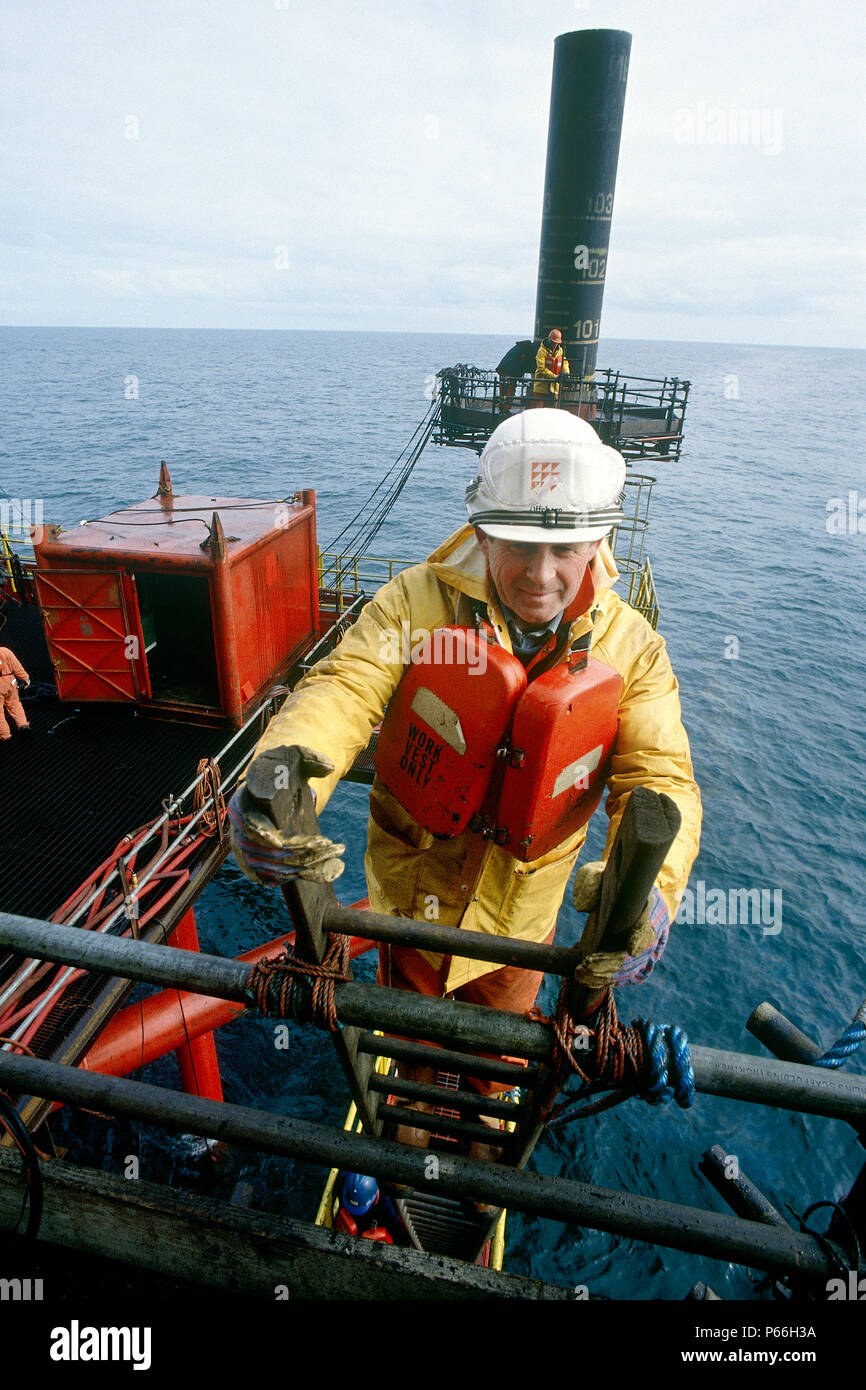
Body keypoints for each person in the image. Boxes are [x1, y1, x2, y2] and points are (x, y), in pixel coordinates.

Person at [230, 410, 701, 1145]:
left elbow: (659, 774)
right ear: (481, 535)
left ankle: (478, 1177)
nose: (540, 576)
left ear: (598, 540)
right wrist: (281, 778)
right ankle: (407, 1153)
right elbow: (346, 689)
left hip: (520, 918)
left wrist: (655, 894)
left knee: (498, 1059)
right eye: (517, 544)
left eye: (564, 546)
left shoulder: (631, 650)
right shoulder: (418, 603)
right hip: (411, 902)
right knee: (407, 1047)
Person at [495, 339, 538, 415]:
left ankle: (502, 407)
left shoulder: (520, 348)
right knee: (510, 389)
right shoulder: (528, 350)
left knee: (503, 389)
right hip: (509, 370)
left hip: (503, 368)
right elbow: (524, 364)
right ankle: (505, 409)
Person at [0, 644, 31, 741]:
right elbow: (16, 666)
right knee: (15, 704)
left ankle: (5, 735)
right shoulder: (5, 650)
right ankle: (23, 724)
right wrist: (25, 678)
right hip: (11, 682)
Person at [533, 328, 569, 404]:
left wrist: (566, 374)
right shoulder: (542, 351)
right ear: (549, 340)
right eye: (553, 342)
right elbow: (541, 368)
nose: (555, 344)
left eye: (557, 343)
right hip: (541, 385)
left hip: (555, 387)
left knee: (553, 410)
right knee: (538, 409)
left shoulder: (560, 351)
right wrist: (555, 377)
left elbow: (564, 363)